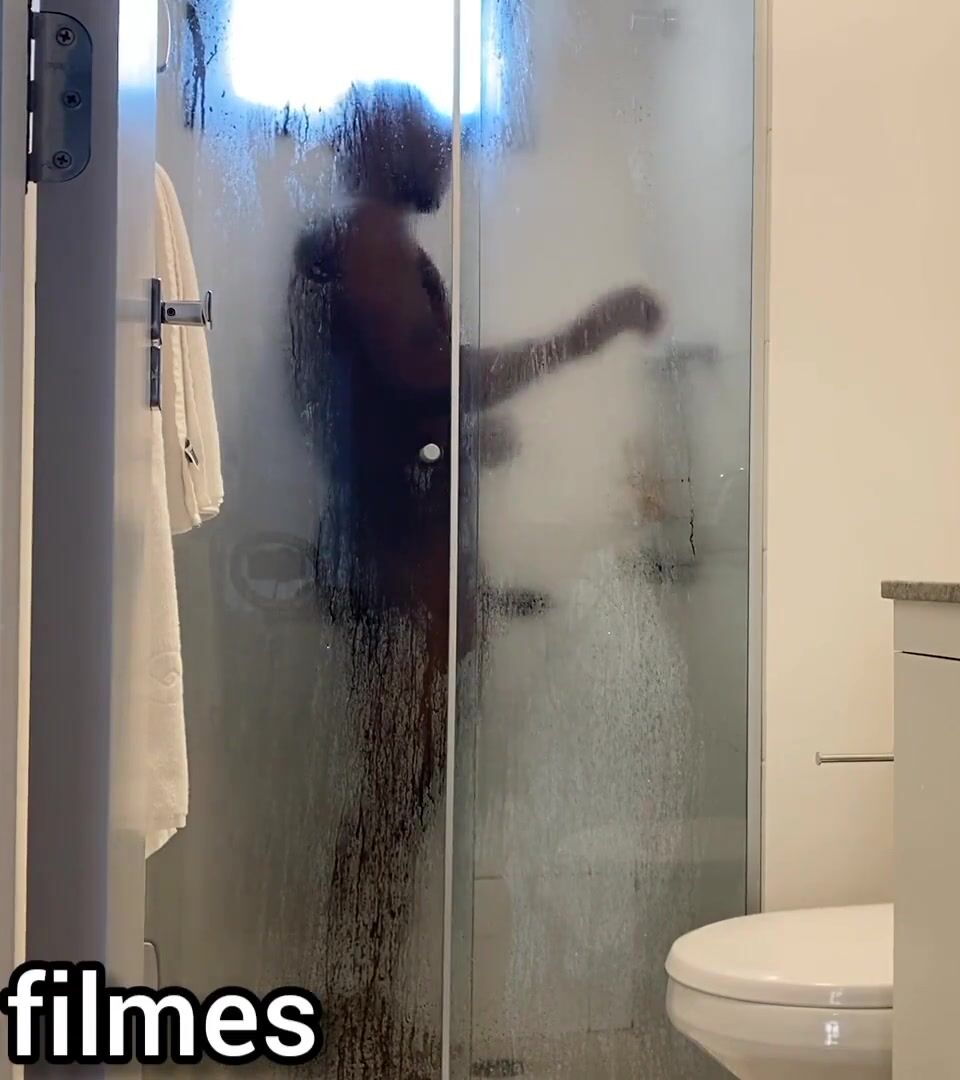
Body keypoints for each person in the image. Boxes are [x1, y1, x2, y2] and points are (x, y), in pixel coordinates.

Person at [286, 81, 664, 1076]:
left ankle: (365, 1018)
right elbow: (432, 378)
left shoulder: (362, 248)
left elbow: (392, 401)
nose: (448, 153)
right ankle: (358, 1030)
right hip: (397, 565)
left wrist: (459, 444)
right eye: (430, 136)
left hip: (391, 552)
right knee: (389, 804)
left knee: (394, 805)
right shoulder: (369, 247)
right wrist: (583, 335)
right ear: (386, 147)